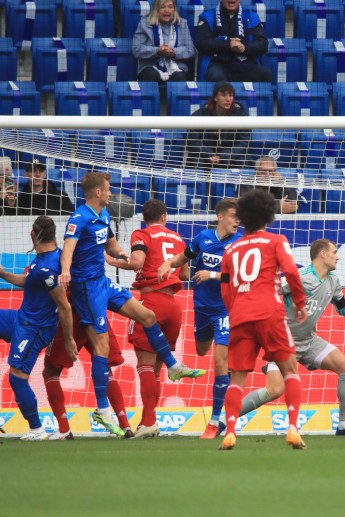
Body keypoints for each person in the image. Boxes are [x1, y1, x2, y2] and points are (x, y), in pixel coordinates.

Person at [59, 172, 205, 436]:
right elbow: (68, 246)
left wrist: (120, 254)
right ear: (98, 193)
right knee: (101, 347)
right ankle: (102, 409)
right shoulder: (79, 216)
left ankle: (172, 365)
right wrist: (66, 270)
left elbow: (112, 245)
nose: (112, 193)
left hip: (102, 283)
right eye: (108, 189)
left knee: (147, 316)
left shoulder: (103, 216)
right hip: (85, 287)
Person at [225, 239, 345, 437]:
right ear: (322, 254)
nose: (338, 256)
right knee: (275, 390)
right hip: (282, 342)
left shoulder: (333, 280)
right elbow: (269, 292)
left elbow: (342, 306)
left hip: (309, 342)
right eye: (334, 252)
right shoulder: (299, 278)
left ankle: (344, 426)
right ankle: (225, 420)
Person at [218, 189, 308, 451]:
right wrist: (300, 303)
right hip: (270, 313)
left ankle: (231, 432)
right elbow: (291, 270)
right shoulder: (276, 240)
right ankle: (292, 428)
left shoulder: (231, 249)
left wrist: (235, 310)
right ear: (269, 214)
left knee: (237, 379)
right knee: (290, 370)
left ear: (243, 217)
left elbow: (225, 289)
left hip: (240, 316)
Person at [157, 198, 241, 440]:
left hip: (226, 310)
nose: (238, 221)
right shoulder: (202, 238)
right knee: (202, 350)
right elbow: (184, 257)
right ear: (221, 217)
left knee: (220, 363)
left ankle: (214, 423)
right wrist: (168, 263)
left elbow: (239, 276)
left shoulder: (239, 244)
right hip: (202, 308)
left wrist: (213, 275)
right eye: (234, 216)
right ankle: (226, 351)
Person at [0, 216, 75, 440]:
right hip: (21, 318)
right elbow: (28, 281)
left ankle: (36, 428)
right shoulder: (45, 259)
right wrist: (3, 273)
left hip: (35, 328)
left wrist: (69, 339)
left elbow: (64, 305)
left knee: (17, 377)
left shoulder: (47, 268)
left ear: (34, 235)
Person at [122, 199, 191, 439]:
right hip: (174, 306)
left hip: (151, 303)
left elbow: (137, 262)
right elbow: (184, 273)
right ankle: (148, 421)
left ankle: (149, 421)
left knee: (145, 365)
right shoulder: (177, 238)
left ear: (145, 217)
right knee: (158, 369)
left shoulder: (141, 234)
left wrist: (112, 261)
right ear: (164, 217)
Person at [43, 309, 133, 440]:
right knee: (105, 368)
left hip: (72, 315)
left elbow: (60, 295)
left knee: (51, 371)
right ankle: (126, 426)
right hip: (97, 314)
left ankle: (64, 429)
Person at [195, 0, 272, 83]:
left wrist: (244, 48)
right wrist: (228, 45)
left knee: (265, 74)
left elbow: (263, 44)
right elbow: (201, 43)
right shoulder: (207, 16)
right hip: (217, 64)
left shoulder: (252, 17)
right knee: (215, 76)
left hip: (245, 64)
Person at [186, 81, 252, 170]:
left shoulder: (241, 115)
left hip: (229, 158)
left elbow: (243, 144)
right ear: (215, 98)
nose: (228, 99)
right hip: (206, 157)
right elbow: (192, 142)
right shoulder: (200, 115)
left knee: (243, 161)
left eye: (231, 95)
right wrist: (209, 155)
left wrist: (222, 156)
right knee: (195, 160)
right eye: (224, 95)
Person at [132, 0, 195, 83]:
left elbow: (190, 50)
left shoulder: (182, 24)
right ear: (156, 9)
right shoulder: (145, 23)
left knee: (180, 77)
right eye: (163, 7)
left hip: (176, 66)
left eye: (170, 7)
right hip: (150, 66)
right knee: (151, 74)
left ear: (174, 9)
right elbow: (137, 49)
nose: (167, 10)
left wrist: (174, 52)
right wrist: (157, 51)